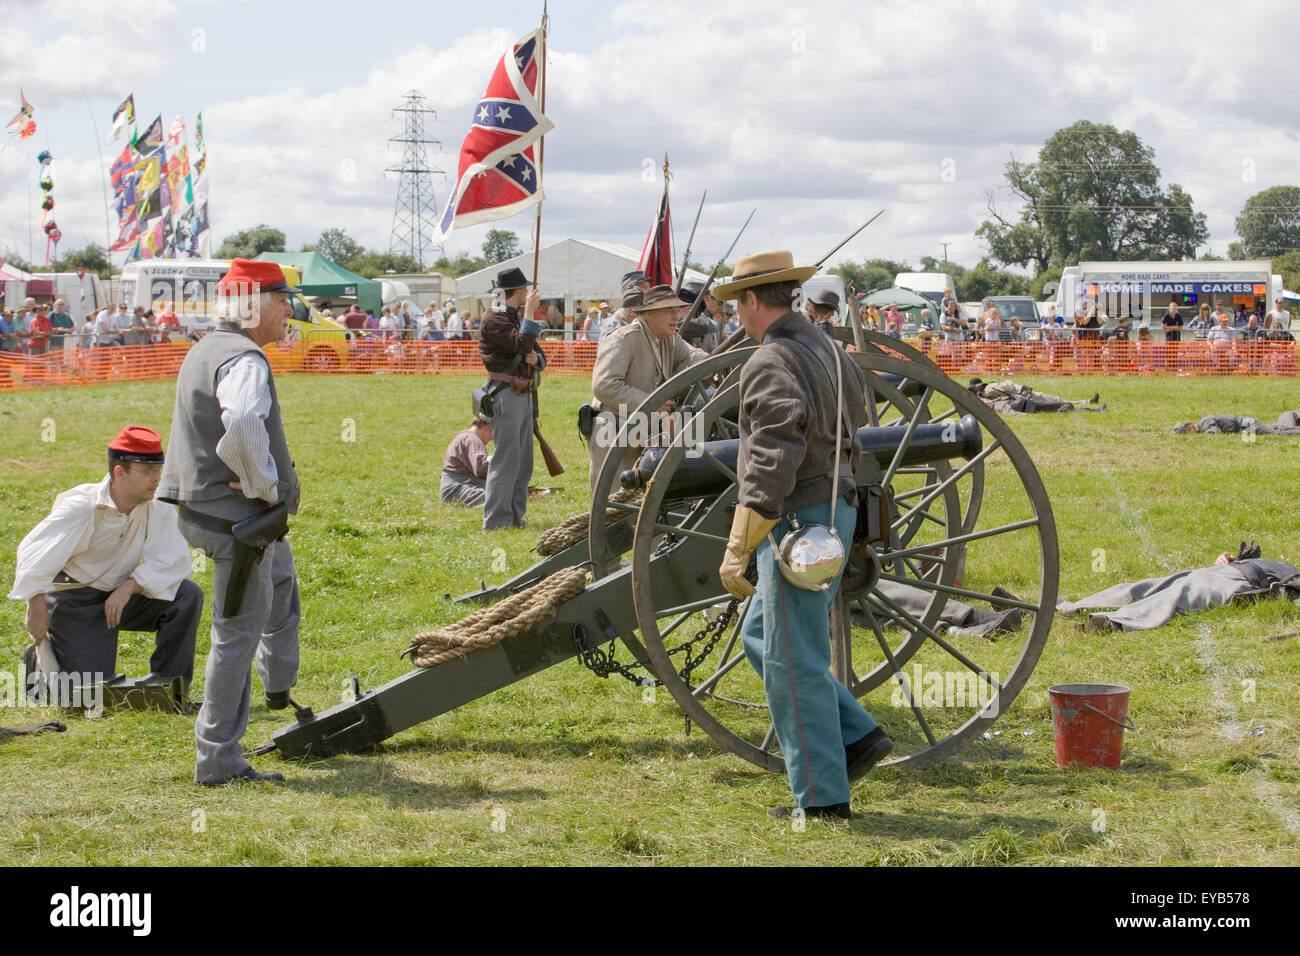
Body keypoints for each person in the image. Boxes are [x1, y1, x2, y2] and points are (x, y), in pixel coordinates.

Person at [713, 250, 892, 820]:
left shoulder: (769, 360)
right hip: (834, 508)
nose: (735, 314)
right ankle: (855, 735)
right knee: (763, 637)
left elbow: (772, 450)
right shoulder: (829, 350)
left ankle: (821, 800)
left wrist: (739, 542)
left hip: (797, 520)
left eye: (737, 304)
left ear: (749, 300)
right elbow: (857, 415)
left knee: (795, 661)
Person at [156, 259, 304, 787]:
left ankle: (277, 686)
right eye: (280, 298)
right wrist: (264, 484)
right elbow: (240, 423)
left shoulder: (206, 347)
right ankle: (218, 758)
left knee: (264, 604)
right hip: (236, 522)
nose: (288, 308)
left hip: (205, 513)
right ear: (254, 304)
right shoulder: (245, 357)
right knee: (236, 635)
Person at [10, 426, 200, 701]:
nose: (157, 479)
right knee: (88, 696)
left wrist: (130, 588)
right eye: (148, 472)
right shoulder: (82, 506)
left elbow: (173, 560)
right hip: (75, 600)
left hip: (120, 596)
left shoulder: (157, 506)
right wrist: (36, 604)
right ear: (120, 473)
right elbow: (35, 551)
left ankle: (170, 689)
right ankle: (41, 667)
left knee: (187, 595)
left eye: (158, 470)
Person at [588, 285, 709, 491]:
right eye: (668, 311)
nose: (676, 316)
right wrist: (651, 402)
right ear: (649, 315)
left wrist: (710, 365)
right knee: (614, 499)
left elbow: (692, 355)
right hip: (614, 429)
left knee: (640, 499)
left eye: (677, 310)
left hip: (644, 428)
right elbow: (604, 385)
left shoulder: (670, 339)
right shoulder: (624, 339)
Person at [1057, 542, 1299, 631]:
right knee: (1144, 587)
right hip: (1226, 571)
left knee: (1177, 596)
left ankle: (1112, 622)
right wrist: (1230, 560)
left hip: (1240, 585)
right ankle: (1067, 607)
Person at [478, 267, 545, 531]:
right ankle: (496, 522)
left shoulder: (514, 318)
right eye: (525, 290)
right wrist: (530, 311)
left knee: (523, 462)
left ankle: (516, 518)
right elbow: (522, 344)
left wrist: (536, 360)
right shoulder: (494, 319)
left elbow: (536, 352)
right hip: (505, 394)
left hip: (523, 393)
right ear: (518, 292)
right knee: (505, 461)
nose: (528, 293)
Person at [967, 378, 1105, 414]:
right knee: (1058, 402)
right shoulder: (989, 390)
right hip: (1025, 398)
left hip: (1023, 397)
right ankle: (1088, 403)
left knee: (1058, 402)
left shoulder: (989, 390)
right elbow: (1009, 388)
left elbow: (1009, 390)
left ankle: (1088, 403)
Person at [440, 415, 493, 506]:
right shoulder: (472, 439)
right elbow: (481, 468)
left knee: (502, 493)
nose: (492, 439)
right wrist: (496, 459)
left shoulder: (465, 437)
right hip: (456, 489)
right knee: (498, 498)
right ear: (487, 427)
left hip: (455, 488)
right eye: (493, 433)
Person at [1172, 411, 1300, 435]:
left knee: (1277, 433)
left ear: (1193, 427)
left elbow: (1213, 433)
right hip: (1247, 423)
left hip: (1247, 425)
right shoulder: (1203, 421)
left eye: (1190, 432)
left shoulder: (1205, 424)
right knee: (1276, 428)